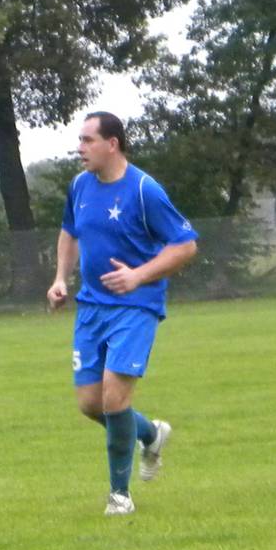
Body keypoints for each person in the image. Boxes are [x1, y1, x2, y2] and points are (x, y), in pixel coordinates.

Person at [46, 112, 197, 516]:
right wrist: (61, 278)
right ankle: (150, 434)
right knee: (90, 404)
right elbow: (69, 232)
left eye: (88, 140)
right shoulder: (79, 185)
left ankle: (119, 496)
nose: (80, 148)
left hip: (136, 306)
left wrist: (138, 276)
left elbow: (185, 245)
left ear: (112, 144)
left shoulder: (145, 190)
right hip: (92, 307)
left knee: (115, 398)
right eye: (80, 140)